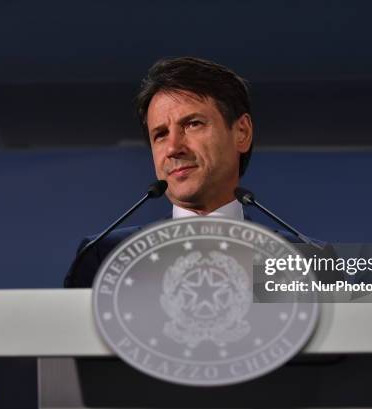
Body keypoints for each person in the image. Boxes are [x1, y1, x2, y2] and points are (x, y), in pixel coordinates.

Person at [64, 57, 320, 288]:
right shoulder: (108, 255)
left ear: (241, 132)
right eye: (160, 134)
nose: (174, 148)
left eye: (193, 124)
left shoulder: (300, 258)